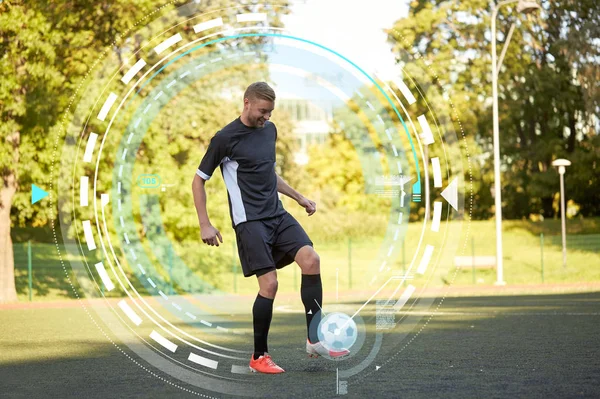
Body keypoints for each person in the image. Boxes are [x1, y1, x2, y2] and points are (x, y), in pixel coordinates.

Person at [191, 82, 349, 374]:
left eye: (270, 112)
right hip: (249, 222)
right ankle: (258, 356)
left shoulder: (270, 130)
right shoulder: (224, 139)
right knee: (270, 284)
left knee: (311, 260)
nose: (266, 117)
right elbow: (199, 179)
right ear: (247, 102)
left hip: (277, 214)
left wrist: (300, 197)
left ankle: (315, 338)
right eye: (263, 111)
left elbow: (268, 174)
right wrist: (205, 223)